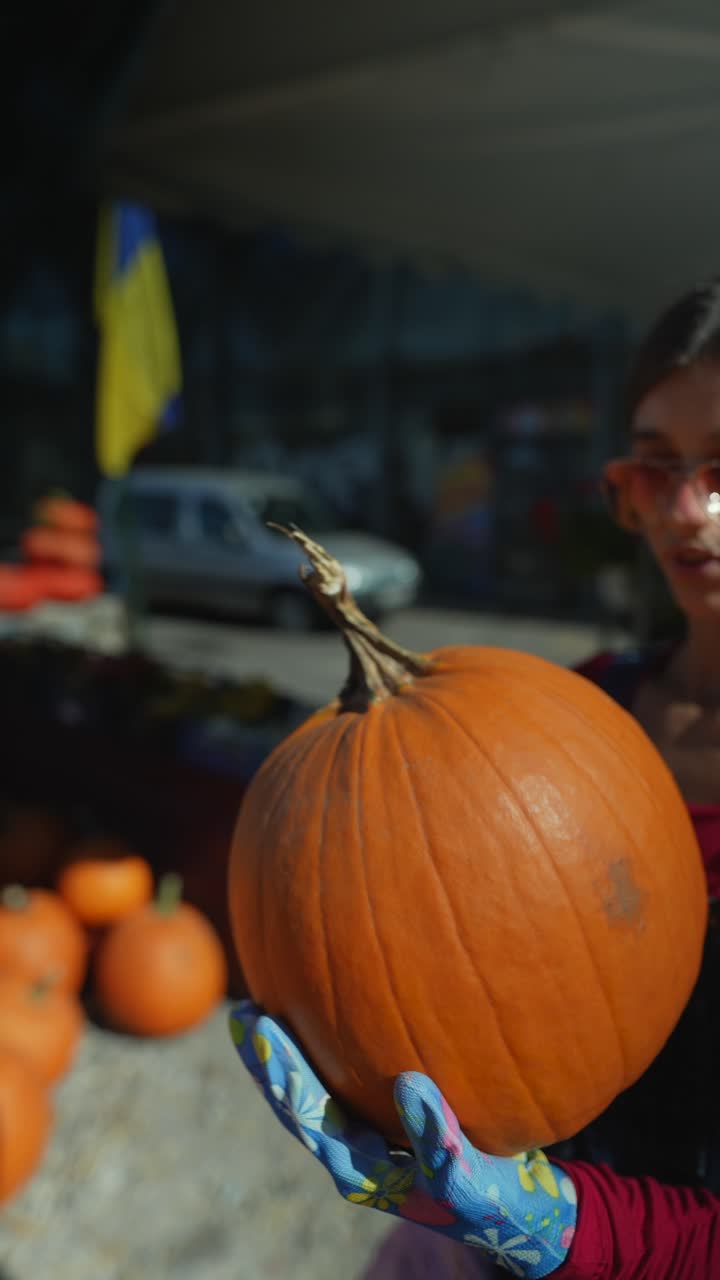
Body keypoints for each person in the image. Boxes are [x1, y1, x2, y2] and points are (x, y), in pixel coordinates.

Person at [229, 276, 720, 1278]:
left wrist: (571, 1226)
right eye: (651, 466)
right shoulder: (583, 701)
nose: (683, 508)